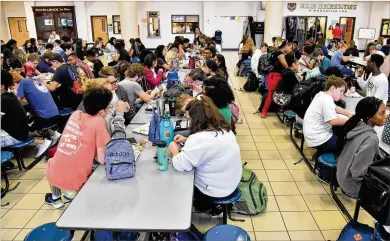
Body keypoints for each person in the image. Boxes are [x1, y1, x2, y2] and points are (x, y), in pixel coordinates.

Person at [45, 87, 127, 208]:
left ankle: (56, 200)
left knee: (60, 162)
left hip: (54, 171)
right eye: (109, 106)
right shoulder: (99, 122)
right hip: (76, 179)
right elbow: (102, 159)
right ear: (101, 111)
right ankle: (72, 195)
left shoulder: (75, 114)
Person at [168, 95, 242, 217]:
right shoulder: (223, 129)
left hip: (215, 189)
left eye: (189, 118)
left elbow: (181, 165)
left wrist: (174, 151)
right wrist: (187, 140)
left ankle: (207, 207)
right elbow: (210, 147)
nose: (189, 121)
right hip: (231, 181)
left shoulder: (199, 139)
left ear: (197, 119)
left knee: (180, 182)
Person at [337, 97, 388, 198]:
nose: (386, 116)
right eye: (381, 113)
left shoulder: (356, 125)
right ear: (369, 117)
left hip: (341, 175)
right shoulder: (371, 139)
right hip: (351, 186)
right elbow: (357, 173)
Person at [1, 70, 52, 157]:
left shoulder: (3, 100)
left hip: (15, 135)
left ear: (1, 86)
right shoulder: (9, 95)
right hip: (20, 132)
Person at [303, 76, 353, 153]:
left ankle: (320, 154)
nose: (342, 95)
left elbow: (336, 108)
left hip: (311, 134)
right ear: (332, 88)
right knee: (348, 144)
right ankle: (325, 156)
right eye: (341, 91)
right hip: (318, 139)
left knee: (338, 132)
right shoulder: (327, 99)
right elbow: (332, 121)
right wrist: (352, 120)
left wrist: (348, 113)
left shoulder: (321, 94)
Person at [260, 41, 293, 118]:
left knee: (276, 93)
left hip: (273, 76)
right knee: (271, 94)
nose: (291, 50)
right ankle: (264, 111)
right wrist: (291, 70)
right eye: (290, 48)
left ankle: (275, 110)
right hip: (275, 76)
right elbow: (285, 65)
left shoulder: (276, 53)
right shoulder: (280, 53)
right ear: (286, 46)